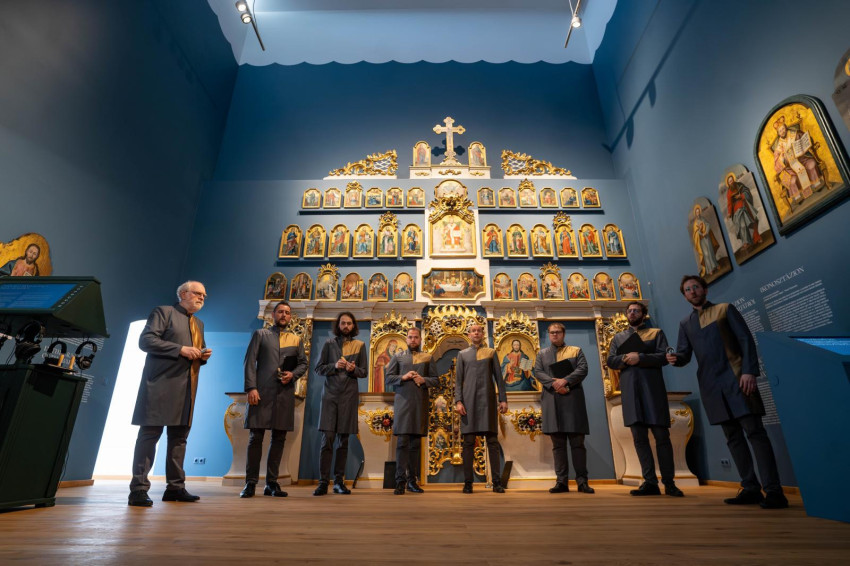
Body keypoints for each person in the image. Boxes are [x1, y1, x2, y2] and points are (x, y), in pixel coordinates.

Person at [667, 275, 788, 509]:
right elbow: (684, 354)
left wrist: (749, 371)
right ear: (684, 296)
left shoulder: (725, 309)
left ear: (705, 290)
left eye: (696, 287)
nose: (692, 291)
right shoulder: (686, 323)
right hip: (712, 387)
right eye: (687, 290)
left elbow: (745, 340)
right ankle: (750, 488)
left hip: (738, 379)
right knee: (733, 438)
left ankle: (774, 491)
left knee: (755, 434)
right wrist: (675, 359)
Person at [128, 281, 213, 507]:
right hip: (160, 385)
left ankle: (175, 488)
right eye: (198, 293)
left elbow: (195, 352)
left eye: (204, 296)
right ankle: (138, 489)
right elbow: (146, 341)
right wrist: (180, 349)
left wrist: (202, 355)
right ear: (183, 294)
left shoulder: (199, 323)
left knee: (179, 438)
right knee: (150, 435)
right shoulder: (164, 312)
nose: (202, 298)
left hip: (187, 388)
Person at [607, 302, 684, 497]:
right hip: (630, 392)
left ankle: (669, 483)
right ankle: (650, 482)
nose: (632, 313)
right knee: (639, 439)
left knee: (662, 437)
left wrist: (640, 357)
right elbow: (611, 360)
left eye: (636, 310)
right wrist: (625, 358)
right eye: (630, 311)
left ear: (644, 314)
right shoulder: (618, 337)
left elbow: (663, 357)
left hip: (652, 390)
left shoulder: (655, 333)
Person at [239, 301, 308, 499]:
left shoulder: (296, 339)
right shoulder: (260, 335)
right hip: (261, 392)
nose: (284, 315)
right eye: (280, 312)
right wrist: (251, 388)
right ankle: (250, 483)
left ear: (290, 316)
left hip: (284, 394)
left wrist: (292, 375)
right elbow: (249, 362)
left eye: (287, 312)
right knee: (256, 438)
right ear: (273, 315)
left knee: (279, 439)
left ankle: (271, 483)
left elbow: (303, 363)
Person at [532, 323, 594, 494]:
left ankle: (582, 482)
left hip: (572, 400)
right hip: (552, 400)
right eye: (551, 332)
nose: (554, 335)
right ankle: (561, 482)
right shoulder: (542, 354)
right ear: (549, 334)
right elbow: (538, 372)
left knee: (577, 444)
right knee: (558, 445)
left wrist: (565, 381)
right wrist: (555, 384)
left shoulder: (576, 350)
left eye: (557, 332)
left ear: (563, 334)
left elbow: (583, 369)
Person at [314, 312, 367, 495]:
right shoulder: (329, 344)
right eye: (343, 323)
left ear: (353, 326)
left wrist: (354, 369)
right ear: (338, 325)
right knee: (327, 439)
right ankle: (322, 482)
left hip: (348, 397)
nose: (346, 326)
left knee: (343, 441)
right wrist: (334, 366)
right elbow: (318, 368)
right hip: (330, 396)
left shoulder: (360, 345)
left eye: (349, 323)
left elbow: (364, 372)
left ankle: (338, 482)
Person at [455, 323, 508, 493]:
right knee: (468, 443)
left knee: (492, 442)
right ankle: (468, 483)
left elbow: (499, 378)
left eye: (479, 330)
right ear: (469, 335)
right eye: (473, 331)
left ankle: (497, 482)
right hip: (468, 402)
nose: (476, 333)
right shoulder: (462, 354)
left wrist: (503, 399)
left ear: (483, 334)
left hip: (488, 402)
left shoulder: (491, 352)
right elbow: (458, 381)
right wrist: (458, 401)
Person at [385, 327, 438, 494]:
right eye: (410, 337)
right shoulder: (398, 357)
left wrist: (424, 380)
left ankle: (412, 482)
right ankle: (399, 482)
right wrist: (404, 377)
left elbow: (436, 380)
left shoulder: (428, 357)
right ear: (406, 339)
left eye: (416, 337)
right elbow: (388, 378)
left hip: (419, 404)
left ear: (420, 340)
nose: (413, 340)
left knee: (415, 444)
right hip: (403, 403)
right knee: (402, 443)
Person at [772, 116, 824, 203]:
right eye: (780, 131)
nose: (782, 132)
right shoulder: (778, 147)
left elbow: (807, 139)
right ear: (778, 133)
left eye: (783, 129)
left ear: (786, 127)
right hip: (789, 168)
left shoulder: (795, 134)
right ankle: (798, 197)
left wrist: (805, 145)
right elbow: (776, 165)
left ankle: (816, 184)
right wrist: (782, 156)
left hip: (802, 159)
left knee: (811, 164)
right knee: (791, 180)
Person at [725, 174, 762, 250]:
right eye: (730, 182)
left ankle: (757, 238)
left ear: (734, 180)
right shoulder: (729, 192)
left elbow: (747, 191)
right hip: (737, 210)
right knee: (742, 225)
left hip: (745, 205)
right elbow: (729, 203)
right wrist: (729, 213)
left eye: (732, 180)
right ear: (728, 183)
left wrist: (741, 196)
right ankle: (747, 242)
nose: (731, 182)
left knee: (753, 221)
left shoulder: (739, 185)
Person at [692, 205, 719, 277]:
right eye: (696, 212)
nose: (698, 213)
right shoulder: (695, 223)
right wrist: (700, 231)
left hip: (707, 237)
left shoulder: (703, 219)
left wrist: (706, 232)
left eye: (698, 212)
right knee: (706, 254)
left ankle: (715, 265)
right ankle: (710, 269)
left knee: (710, 251)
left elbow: (708, 224)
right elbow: (695, 234)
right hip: (701, 241)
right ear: (695, 213)